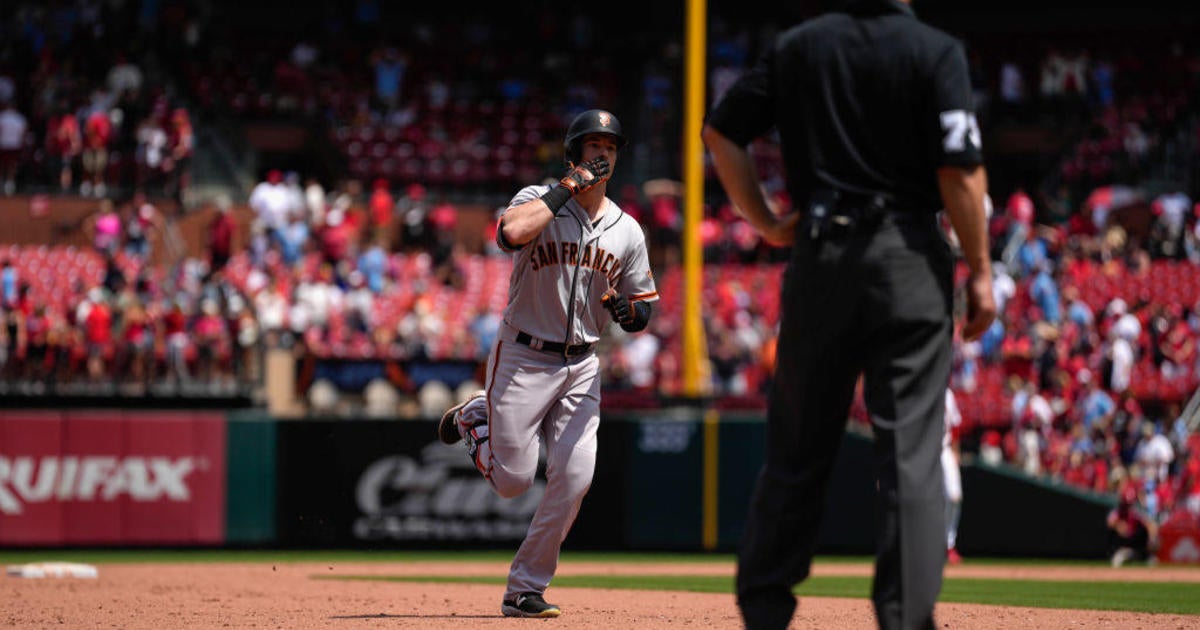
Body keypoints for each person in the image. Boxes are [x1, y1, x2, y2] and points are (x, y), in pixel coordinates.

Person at [701, 1, 996, 628]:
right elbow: (959, 170)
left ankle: (764, 611)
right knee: (910, 455)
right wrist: (982, 270)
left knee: (797, 449)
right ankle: (904, 618)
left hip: (821, 256)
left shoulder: (801, 45)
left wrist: (765, 222)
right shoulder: (934, 50)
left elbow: (721, 131)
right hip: (909, 259)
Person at [437, 109, 657, 619]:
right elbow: (510, 234)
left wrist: (630, 312)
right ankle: (477, 415)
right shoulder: (535, 200)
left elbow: (642, 308)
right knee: (513, 481)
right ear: (574, 152)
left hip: (582, 365)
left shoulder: (627, 229)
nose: (602, 154)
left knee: (575, 476)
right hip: (523, 355)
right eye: (592, 144)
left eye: (610, 146)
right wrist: (567, 186)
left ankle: (524, 588)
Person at [943, 388, 964, 565]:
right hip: (921, 449)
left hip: (944, 449)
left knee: (954, 495)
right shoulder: (917, 389)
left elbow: (955, 424)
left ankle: (949, 544)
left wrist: (956, 451)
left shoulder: (947, 394)